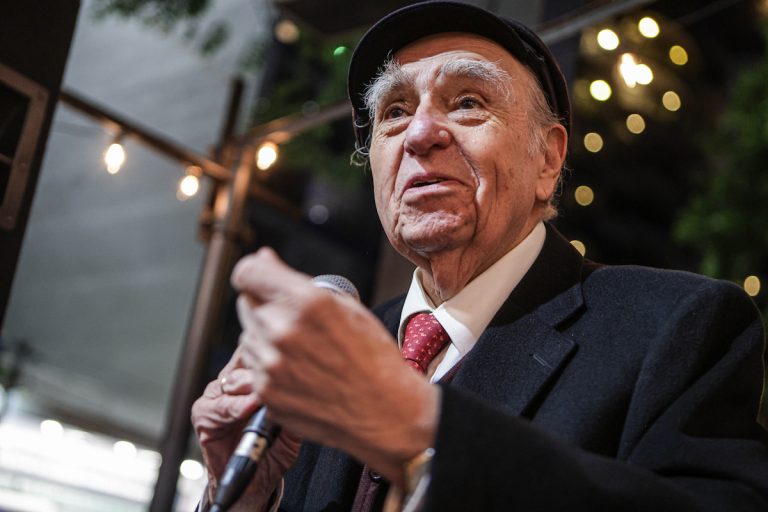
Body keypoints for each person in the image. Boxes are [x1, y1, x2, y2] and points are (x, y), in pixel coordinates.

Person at [191, 2, 768, 511]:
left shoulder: (676, 327)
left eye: (467, 102)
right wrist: (244, 495)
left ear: (548, 160)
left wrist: (419, 425)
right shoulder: (336, 353)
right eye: (394, 112)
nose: (419, 133)